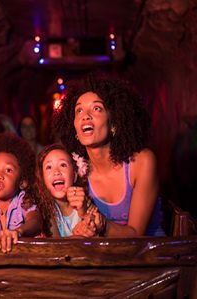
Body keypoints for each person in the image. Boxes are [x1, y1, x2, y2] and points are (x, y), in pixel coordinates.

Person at [53, 73, 165, 237]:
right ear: (75, 130)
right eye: (79, 110)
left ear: (114, 123)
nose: (86, 115)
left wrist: (102, 225)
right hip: (104, 258)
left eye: (96, 108)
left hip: (150, 257)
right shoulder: (77, 171)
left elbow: (136, 235)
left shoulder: (142, 162)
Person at [35, 143, 101, 237]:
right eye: (49, 167)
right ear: (43, 179)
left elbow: (95, 234)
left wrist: (83, 212)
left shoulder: (85, 202)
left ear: (74, 176)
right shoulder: (44, 209)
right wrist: (79, 237)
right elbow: (55, 246)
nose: (56, 172)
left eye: (63, 165)